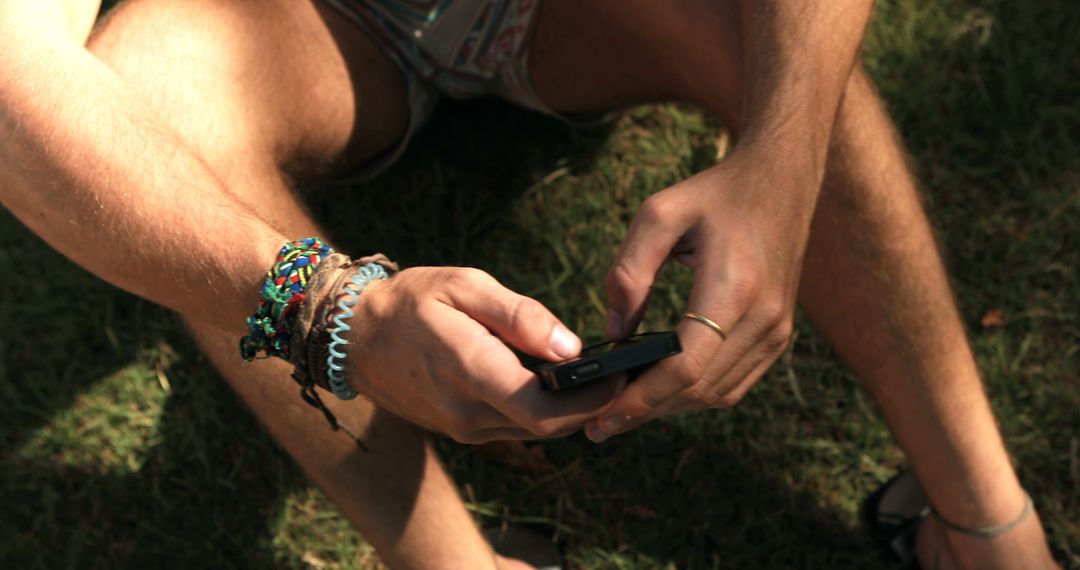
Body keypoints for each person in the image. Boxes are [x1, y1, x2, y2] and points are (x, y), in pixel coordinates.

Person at [0, 0, 1059, 567]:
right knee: (152, 111)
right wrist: (343, 316)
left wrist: (785, 157)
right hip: (280, 25)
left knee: (772, 42)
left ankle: (984, 522)